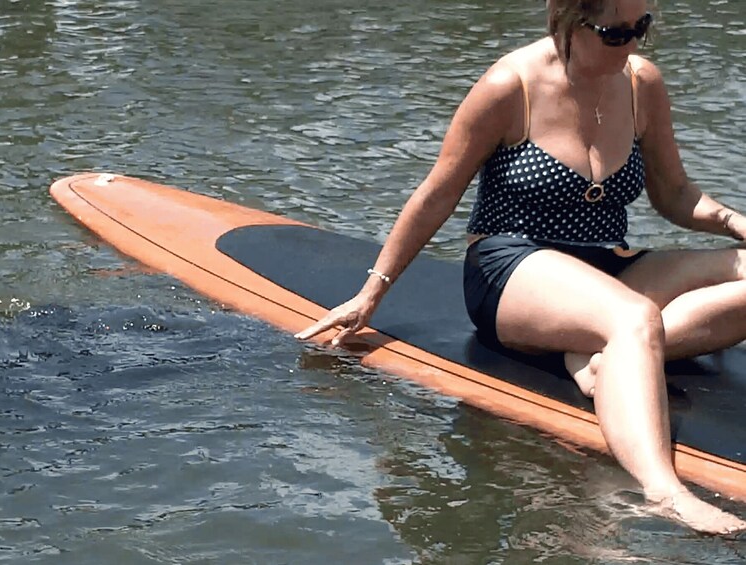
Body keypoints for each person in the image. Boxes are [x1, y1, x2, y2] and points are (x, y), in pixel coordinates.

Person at [295, 0, 746, 535]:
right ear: (570, 20)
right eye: (614, 32)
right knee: (635, 320)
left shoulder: (641, 83)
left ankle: (606, 359)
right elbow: (437, 194)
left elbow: (673, 193)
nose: (631, 44)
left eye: (640, 28)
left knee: (646, 317)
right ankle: (663, 492)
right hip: (512, 266)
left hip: (609, 263)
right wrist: (372, 293)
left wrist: (734, 220)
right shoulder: (511, 87)